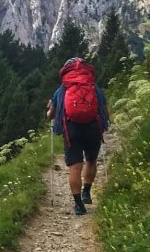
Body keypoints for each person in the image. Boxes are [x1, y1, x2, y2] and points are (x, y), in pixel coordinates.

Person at [47, 57, 110, 215]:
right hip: (93, 127)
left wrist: (48, 109)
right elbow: (105, 110)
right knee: (91, 160)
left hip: (71, 129)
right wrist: (104, 124)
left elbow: (51, 115)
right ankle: (87, 192)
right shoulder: (93, 87)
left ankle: (78, 205)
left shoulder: (62, 89)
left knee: (75, 166)